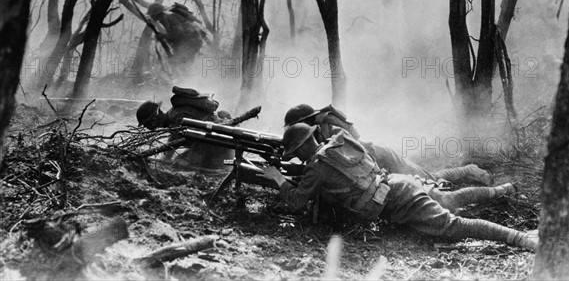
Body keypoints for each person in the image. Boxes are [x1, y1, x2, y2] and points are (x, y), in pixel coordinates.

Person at [263, 124, 536, 250]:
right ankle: (502, 190)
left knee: (452, 226)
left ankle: (522, 239)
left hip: (395, 199)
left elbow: (297, 202)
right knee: (449, 200)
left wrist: (277, 178)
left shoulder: (316, 168)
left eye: (296, 152)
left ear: (301, 148)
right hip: (396, 183)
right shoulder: (337, 144)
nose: (297, 157)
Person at [283, 104, 492, 186]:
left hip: (379, 156)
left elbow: (354, 137)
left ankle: (470, 170)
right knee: (424, 180)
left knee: (429, 178)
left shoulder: (327, 122)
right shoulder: (314, 134)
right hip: (372, 165)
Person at [136, 86, 233, 169]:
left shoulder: (176, 118)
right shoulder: (173, 117)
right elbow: (173, 140)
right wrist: (166, 158)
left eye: (147, 124)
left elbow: (199, 137)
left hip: (220, 142)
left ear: (154, 119)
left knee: (184, 165)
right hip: (214, 141)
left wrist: (189, 161)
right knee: (179, 162)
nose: (149, 128)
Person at [147, 3, 205, 72]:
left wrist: (163, 36)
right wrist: (161, 37)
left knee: (178, 64)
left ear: (156, 14)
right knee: (180, 64)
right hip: (189, 42)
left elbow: (179, 31)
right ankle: (186, 80)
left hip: (190, 42)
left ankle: (186, 80)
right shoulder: (164, 19)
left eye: (151, 15)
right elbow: (174, 34)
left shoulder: (169, 17)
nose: (151, 17)